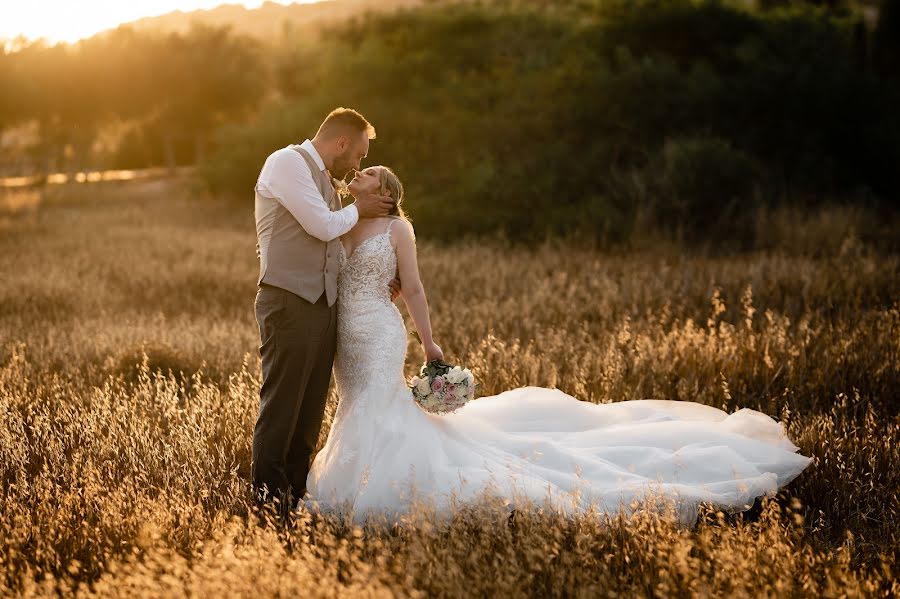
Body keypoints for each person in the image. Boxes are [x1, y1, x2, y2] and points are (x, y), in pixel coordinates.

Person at [306, 165, 813, 525]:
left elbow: (412, 287)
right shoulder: (343, 222)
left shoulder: (397, 228)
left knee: (380, 403)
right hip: (345, 335)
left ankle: (379, 487)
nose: (360, 174)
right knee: (354, 402)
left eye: (370, 173)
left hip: (380, 331)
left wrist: (430, 344)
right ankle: (353, 477)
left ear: (387, 189)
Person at [252, 108, 398, 508]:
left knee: (310, 409)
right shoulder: (287, 163)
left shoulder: (330, 184)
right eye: (360, 155)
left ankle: (295, 498)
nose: (358, 165)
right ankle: (267, 501)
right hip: (288, 301)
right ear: (342, 142)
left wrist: (383, 277)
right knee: (282, 404)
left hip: (324, 305)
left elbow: (332, 249)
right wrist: (361, 210)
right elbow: (322, 226)